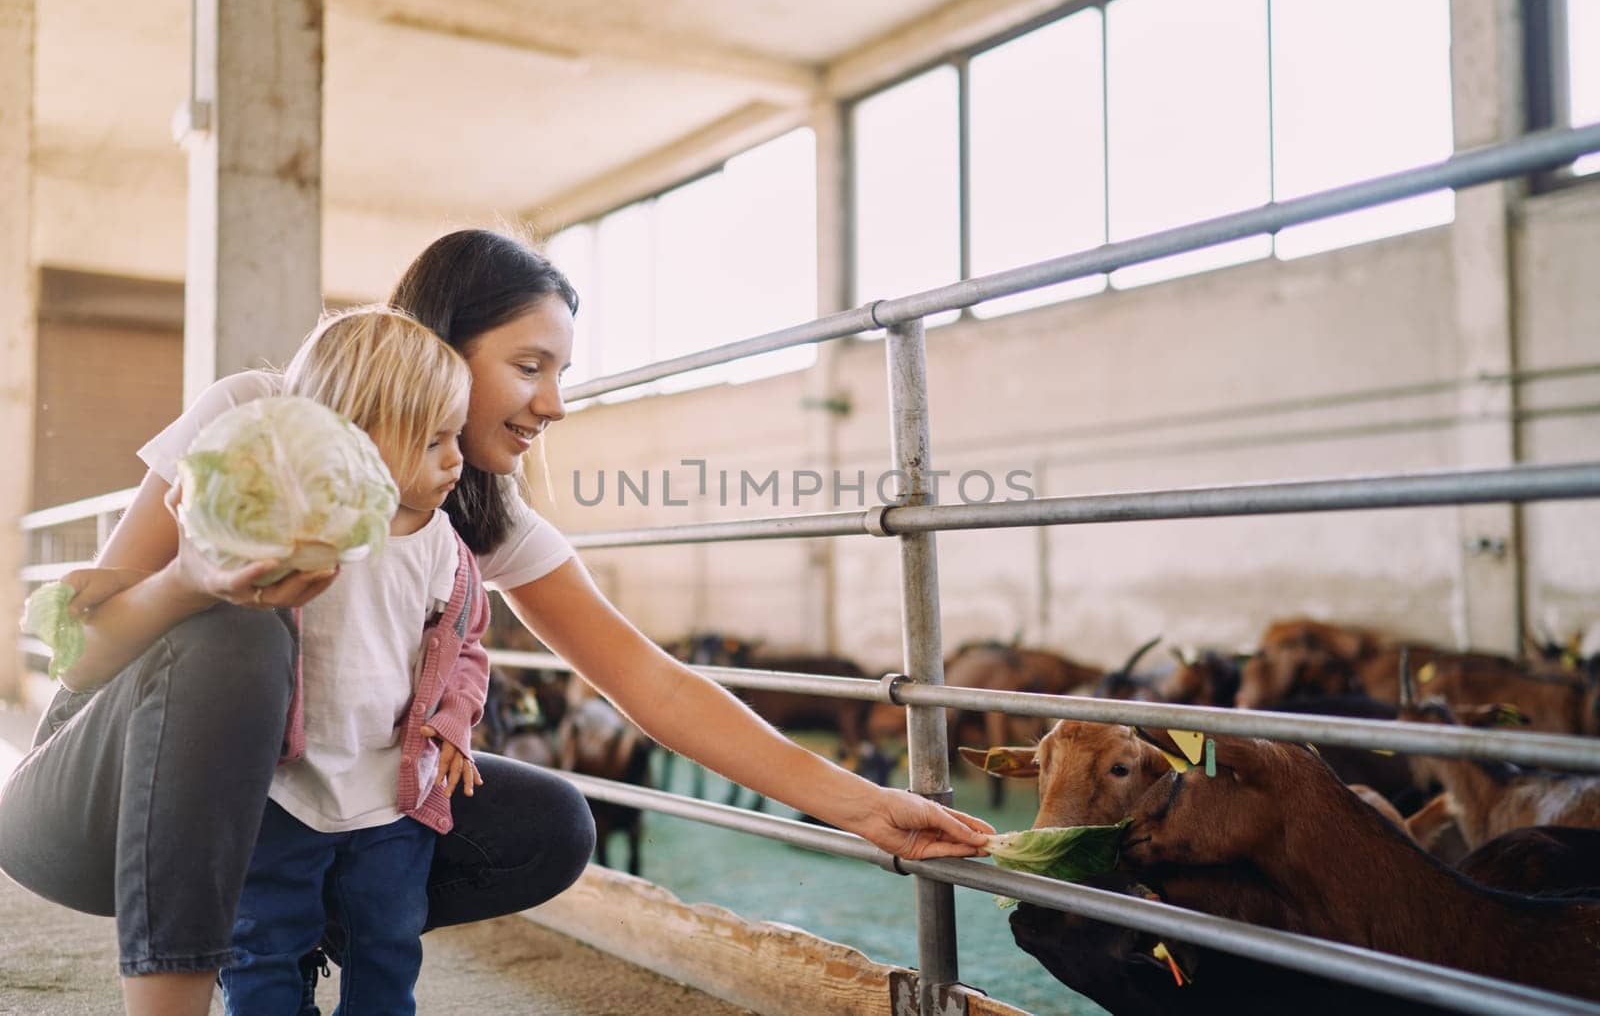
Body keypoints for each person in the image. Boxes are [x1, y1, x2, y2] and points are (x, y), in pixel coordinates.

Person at [0, 229, 994, 1016]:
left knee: (549, 824)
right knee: (235, 635)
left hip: (292, 827)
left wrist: (855, 802)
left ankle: (296, 940)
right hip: (88, 808)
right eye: (531, 365)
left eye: (559, 373)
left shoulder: (469, 509)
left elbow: (648, 681)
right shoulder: (258, 414)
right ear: (440, 347)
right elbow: (78, 647)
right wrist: (194, 581)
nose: (553, 403)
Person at [216, 307, 489, 1014]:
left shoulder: (441, 549)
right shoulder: (286, 526)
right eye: (434, 442)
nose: (457, 459)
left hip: (391, 793)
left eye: (454, 436)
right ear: (357, 439)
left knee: (390, 944)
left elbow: (468, 648)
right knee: (262, 942)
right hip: (283, 788)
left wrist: (455, 719)